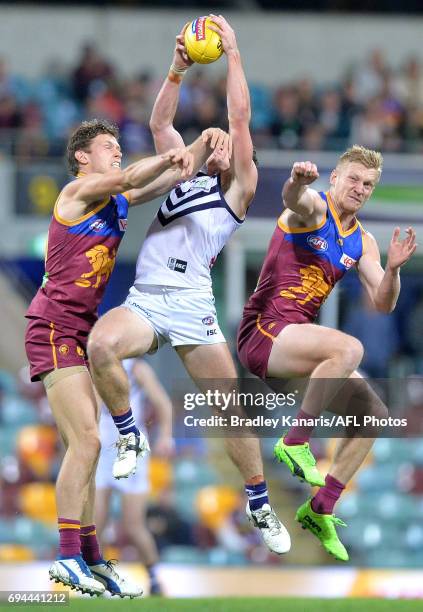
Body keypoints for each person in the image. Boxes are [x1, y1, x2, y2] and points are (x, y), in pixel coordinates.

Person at [88, 15, 291, 556]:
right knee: (100, 345)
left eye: (235, 149)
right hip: (148, 298)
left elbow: (239, 116)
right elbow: (160, 125)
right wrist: (177, 70)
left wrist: (235, 55)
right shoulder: (188, 173)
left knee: (229, 411)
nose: (226, 146)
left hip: (193, 304)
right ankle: (129, 432)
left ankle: (259, 502)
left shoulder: (238, 193)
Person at [24, 117, 225, 596]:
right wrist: (191, 143)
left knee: (89, 447)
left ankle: (90, 558)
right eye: (109, 147)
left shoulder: (111, 200)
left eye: (118, 147)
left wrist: (201, 152)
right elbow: (136, 176)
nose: (117, 152)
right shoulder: (77, 193)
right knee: (89, 444)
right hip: (54, 327)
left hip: (79, 331)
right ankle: (68, 557)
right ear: (82, 158)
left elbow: (166, 179)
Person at [237, 145, 417, 561]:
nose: (360, 188)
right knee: (349, 347)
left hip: (297, 349)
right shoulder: (315, 207)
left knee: (374, 416)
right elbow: (292, 200)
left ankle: (321, 508)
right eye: (353, 179)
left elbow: (384, 302)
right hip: (264, 334)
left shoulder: (364, 240)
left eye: (368, 185)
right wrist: (298, 181)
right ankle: (296, 440)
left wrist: (392, 270)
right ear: (334, 178)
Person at [95, 358, 173, 595]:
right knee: (95, 524)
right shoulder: (94, 364)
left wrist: (165, 436)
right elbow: (94, 408)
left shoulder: (136, 368)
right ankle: (98, 579)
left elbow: (163, 403)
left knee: (133, 525)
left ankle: (154, 577)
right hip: (102, 449)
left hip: (131, 450)